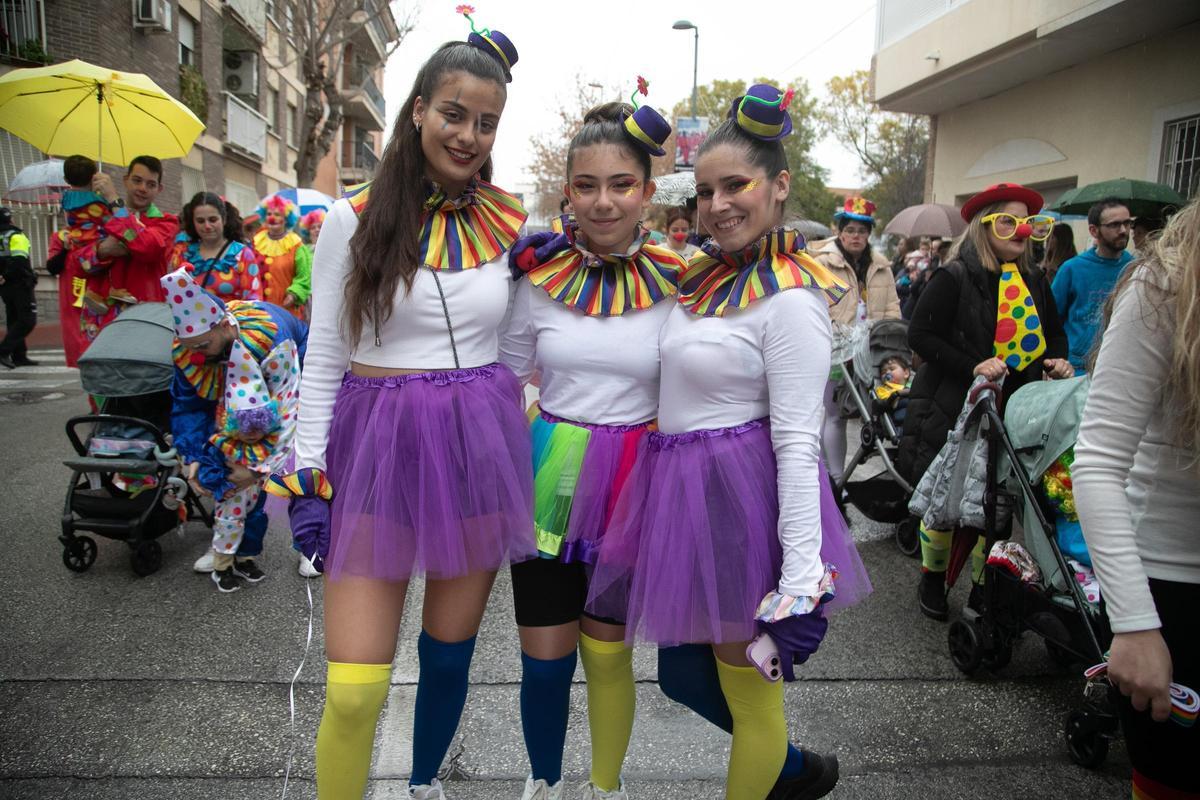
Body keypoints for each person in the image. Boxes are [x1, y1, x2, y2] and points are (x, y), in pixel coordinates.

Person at [270, 14, 534, 799]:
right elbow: (322, 353)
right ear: (417, 108)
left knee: (448, 657)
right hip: (377, 446)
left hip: (477, 450)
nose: (469, 135)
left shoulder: (514, 226)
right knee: (354, 690)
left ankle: (422, 785)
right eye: (454, 113)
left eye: (486, 122)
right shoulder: (350, 219)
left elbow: (520, 353)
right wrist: (307, 467)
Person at [588, 83, 871, 800]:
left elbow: (799, 444)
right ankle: (796, 769)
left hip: (739, 506)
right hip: (679, 497)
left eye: (736, 185)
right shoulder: (703, 279)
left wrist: (801, 580)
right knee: (683, 677)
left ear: (779, 188)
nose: (718, 205)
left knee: (750, 695)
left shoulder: (793, 300)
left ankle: (779, 767)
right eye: (707, 190)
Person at [499, 93, 682, 800]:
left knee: (609, 660)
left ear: (646, 192)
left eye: (620, 184)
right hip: (550, 476)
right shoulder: (537, 279)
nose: (603, 203)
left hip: (635, 487)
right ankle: (543, 781)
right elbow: (505, 379)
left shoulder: (681, 281)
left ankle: (607, 787)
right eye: (586, 185)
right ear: (567, 192)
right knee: (544, 663)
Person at [1072, 199, 1200, 800]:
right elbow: (1096, 461)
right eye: (1113, 223)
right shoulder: (1162, 284)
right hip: (1176, 582)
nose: (1123, 231)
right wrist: (1135, 623)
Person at [900, 182, 1072, 621]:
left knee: (995, 511)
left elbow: (1053, 333)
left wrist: (1057, 361)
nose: (1019, 231)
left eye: (1026, 223)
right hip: (957, 407)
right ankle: (933, 580)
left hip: (1015, 410)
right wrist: (974, 365)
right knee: (947, 503)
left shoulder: (1035, 279)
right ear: (984, 226)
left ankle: (982, 590)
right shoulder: (954, 276)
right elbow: (921, 335)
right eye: (1007, 221)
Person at [163, 267, 305, 591]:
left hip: (293, 367)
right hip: (244, 396)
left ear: (224, 324)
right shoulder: (193, 348)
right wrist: (194, 456)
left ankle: (308, 543)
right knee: (234, 483)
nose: (194, 354)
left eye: (201, 344)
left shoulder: (272, 340)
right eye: (189, 346)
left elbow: (288, 410)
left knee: (299, 464)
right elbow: (190, 406)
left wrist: (257, 470)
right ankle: (227, 550)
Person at [51, 155, 178, 367]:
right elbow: (75, 265)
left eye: (151, 184)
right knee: (102, 392)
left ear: (159, 189)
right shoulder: (94, 219)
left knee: (143, 390)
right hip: (102, 319)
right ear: (126, 180)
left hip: (144, 320)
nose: (143, 188)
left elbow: (148, 248)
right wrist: (101, 251)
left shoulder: (166, 222)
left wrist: (114, 201)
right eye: (137, 180)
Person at [809, 196, 900, 491]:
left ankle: (834, 472)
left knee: (866, 412)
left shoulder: (882, 267)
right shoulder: (821, 262)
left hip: (871, 351)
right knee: (835, 413)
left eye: (862, 231)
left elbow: (893, 311)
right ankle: (836, 479)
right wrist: (836, 332)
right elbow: (814, 305)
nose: (855, 236)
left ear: (869, 234)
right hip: (834, 348)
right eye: (850, 230)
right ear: (840, 231)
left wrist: (885, 334)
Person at [1051, 197, 1133, 374]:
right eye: (1114, 225)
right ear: (1094, 230)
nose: (1123, 230)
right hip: (1077, 370)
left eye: (1127, 223)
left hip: (1120, 369)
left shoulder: (1136, 269)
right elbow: (1050, 320)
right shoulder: (1072, 269)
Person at [168, 192, 262, 304]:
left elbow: (254, 300)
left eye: (213, 220)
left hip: (233, 320)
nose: (207, 226)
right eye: (200, 221)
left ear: (224, 220)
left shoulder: (243, 255)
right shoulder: (184, 253)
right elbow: (177, 297)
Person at [252, 194, 311, 320]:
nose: (272, 218)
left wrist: (294, 294)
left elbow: (304, 276)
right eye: (268, 214)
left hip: (286, 311)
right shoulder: (256, 242)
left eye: (277, 214)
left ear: (286, 219)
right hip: (259, 311)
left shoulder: (296, 244)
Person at [0, 208, 35, 369]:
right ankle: (3, 350)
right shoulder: (16, 236)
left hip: (5, 286)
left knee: (14, 319)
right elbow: (20, 261)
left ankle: (19, 356)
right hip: (20, 283)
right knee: (27, 320)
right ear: (10, 220)